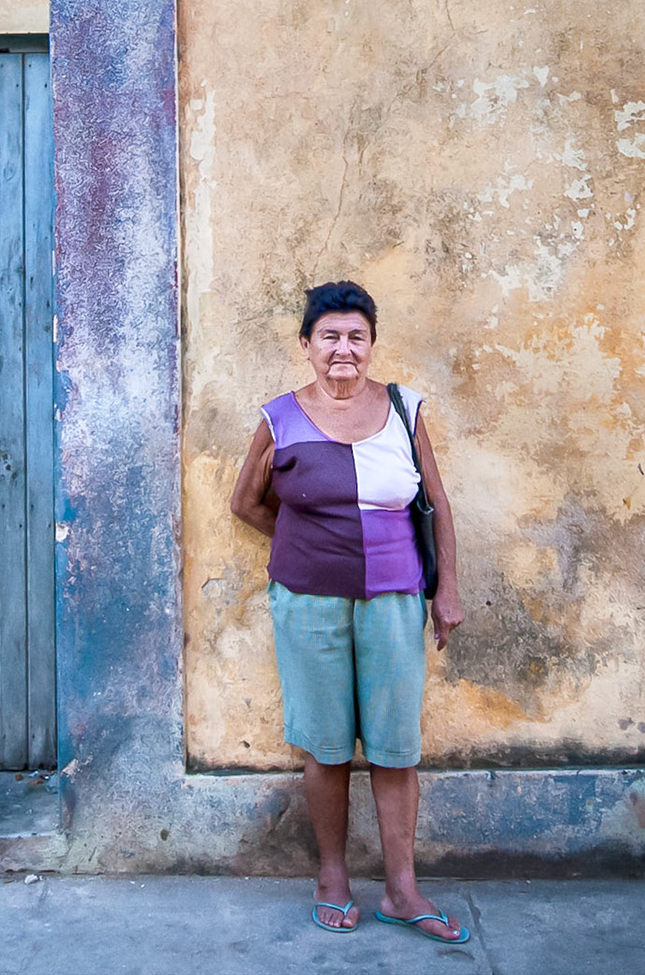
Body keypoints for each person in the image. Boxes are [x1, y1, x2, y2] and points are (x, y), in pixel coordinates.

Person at [230, 279, 467, 942]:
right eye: (329, 335)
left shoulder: (403, 408)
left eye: (355, 335)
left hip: (394, 598)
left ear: (371, 344)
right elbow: (246, 502)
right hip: (308, 602)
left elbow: (438, 504)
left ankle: (401, 887)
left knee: (395, 748)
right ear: (306, 345)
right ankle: (332, 877)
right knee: (327, 746)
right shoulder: (280, 416)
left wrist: (446, 589)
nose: (343, 347)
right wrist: (307, 546)